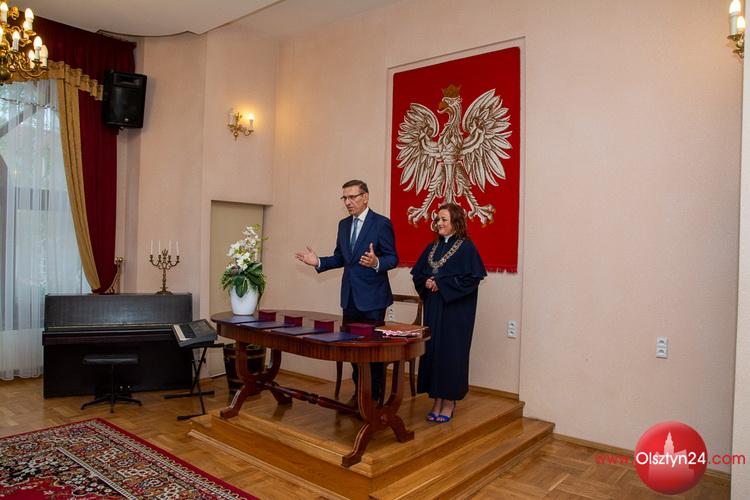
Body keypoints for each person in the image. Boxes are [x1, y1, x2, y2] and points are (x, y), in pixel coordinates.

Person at [295, 179, 398, 401]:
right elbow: (341, 258)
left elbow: (393, 258)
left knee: (372, 352)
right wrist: (318, 262)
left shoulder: (381, 223)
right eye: (345, 198)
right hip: (350, 298)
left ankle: (374, 398)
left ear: (365, 197)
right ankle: (360, 393)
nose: (348, 202)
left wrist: (376, 262)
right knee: (352, 349)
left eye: (352, 197)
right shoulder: (343, 225)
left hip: (373, 300)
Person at [411, 203, 486, 423]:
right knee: (433, 352)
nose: (439, 223)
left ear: (456, 222)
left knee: (451, 355)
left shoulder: (467, 247)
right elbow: (418, 274)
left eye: (444, 219)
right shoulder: (432, 246)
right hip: (434, 309)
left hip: (456, 313)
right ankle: (436, 399)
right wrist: (426, 282)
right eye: (438, 219)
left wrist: (441, 284)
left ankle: (449, 402)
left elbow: (472, 279)